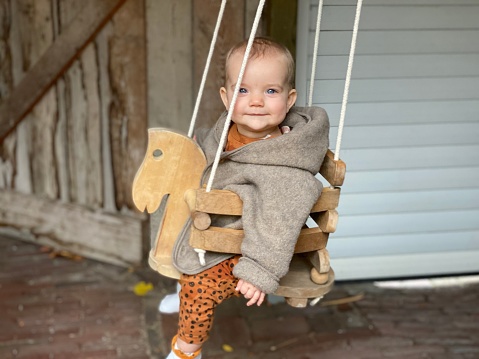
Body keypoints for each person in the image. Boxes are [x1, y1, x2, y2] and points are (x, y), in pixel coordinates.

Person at [166, 37, 330, 359]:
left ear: (289, 98)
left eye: (270, 91)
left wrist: (258, 271)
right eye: (243, 90)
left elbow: (279, 216)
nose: (256, 101)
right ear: (226, 98)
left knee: (199, 291)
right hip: (214, 229)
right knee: (171, 223)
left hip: (245, 247)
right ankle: (182, 284)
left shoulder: (286, 164)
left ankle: (187, 350)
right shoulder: (228, 129)